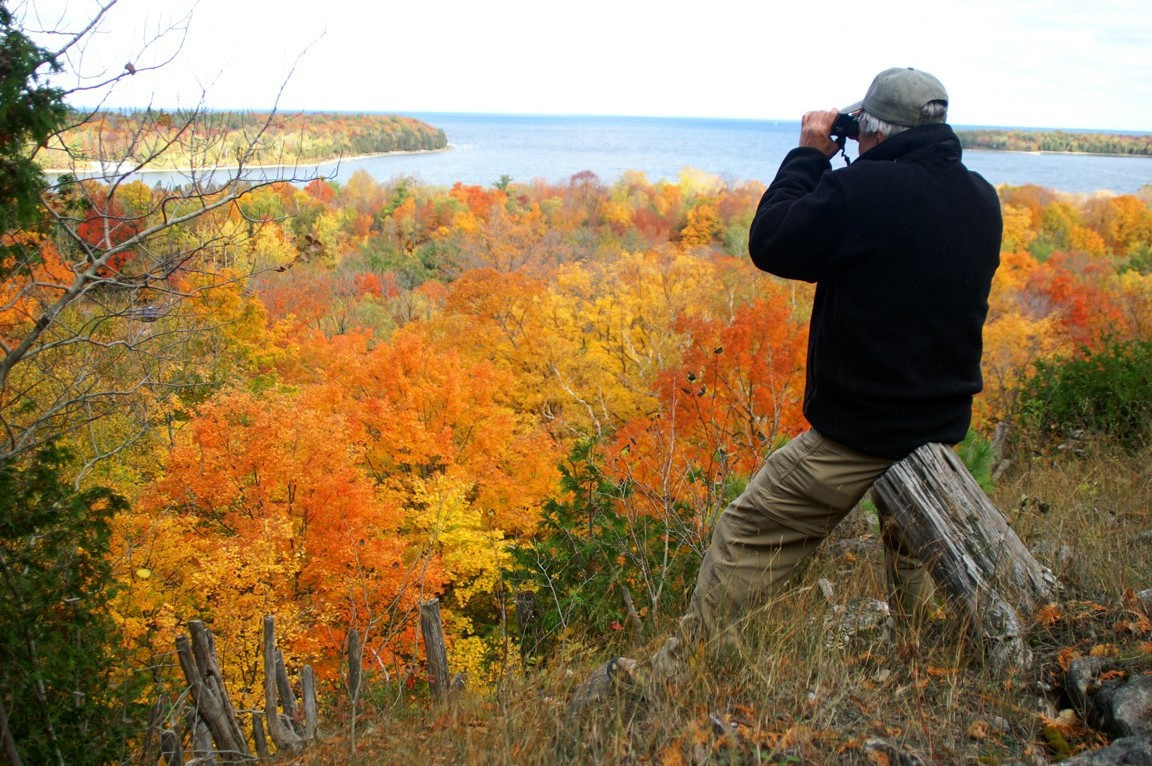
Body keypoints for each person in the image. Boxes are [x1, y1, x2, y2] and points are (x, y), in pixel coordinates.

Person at [657, 67, 1004, 668]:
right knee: (914, 555)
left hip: (859, 434)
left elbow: (771, 239)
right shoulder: (980, 199)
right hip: (941, 430)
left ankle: (688, 672)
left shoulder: (863, 194)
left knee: (747, 532)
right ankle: (935, 671)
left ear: (869, 131)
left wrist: (809, 153)